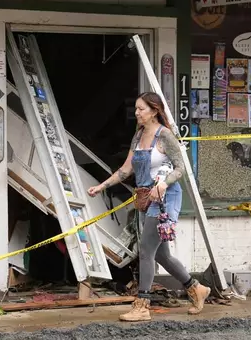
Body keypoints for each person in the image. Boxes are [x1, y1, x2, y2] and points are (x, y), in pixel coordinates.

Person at [87, 91, 210, 322]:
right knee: (161, 254)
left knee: (145, 250)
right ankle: (196, 288)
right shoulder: (138, 136)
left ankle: (142, 305)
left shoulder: (165, 136)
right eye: (135, 109)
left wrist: (164, 183)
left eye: (141, 109)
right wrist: (102, 186)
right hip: (145, 198)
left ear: (154, 110)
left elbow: (181, 168)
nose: (136, 113)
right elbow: (126, 170)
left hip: (165, 199)